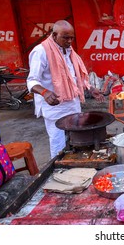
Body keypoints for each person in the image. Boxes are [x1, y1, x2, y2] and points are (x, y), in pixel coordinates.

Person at [26, 20, 105, 158]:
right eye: (65, 37)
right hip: (55, 107)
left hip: (72, 105)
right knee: (59, 142)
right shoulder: (41, 51)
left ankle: (74, 165)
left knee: (76, 139)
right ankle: (59, 168)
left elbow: (75, 76)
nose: (69, 41)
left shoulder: (69, 51)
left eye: (71, 38)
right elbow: (32, 80)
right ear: (54, 35)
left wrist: (90, 88)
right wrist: (44, 92)